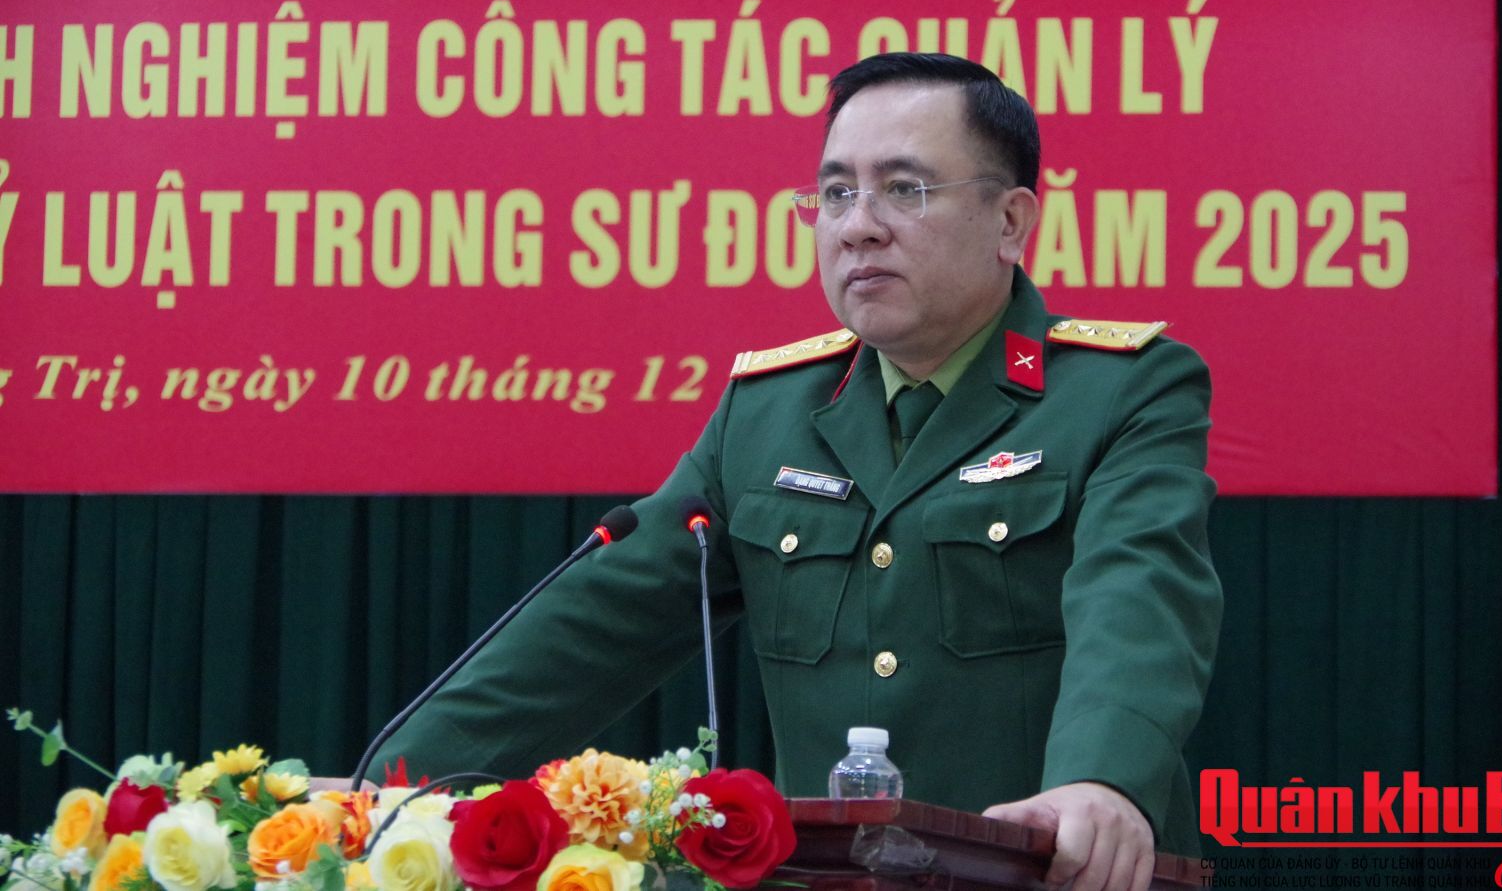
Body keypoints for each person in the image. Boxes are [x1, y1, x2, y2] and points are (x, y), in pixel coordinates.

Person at [376, 53, 1222, 891]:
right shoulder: (767, 413)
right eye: (836, 193)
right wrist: (391, 786)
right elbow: (592, 624)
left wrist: (1102, 780)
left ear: (1010, 220)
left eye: (905, 189)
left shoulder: (1121, 390)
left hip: (1049, 874)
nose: (859, 225)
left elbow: (1138, 597)